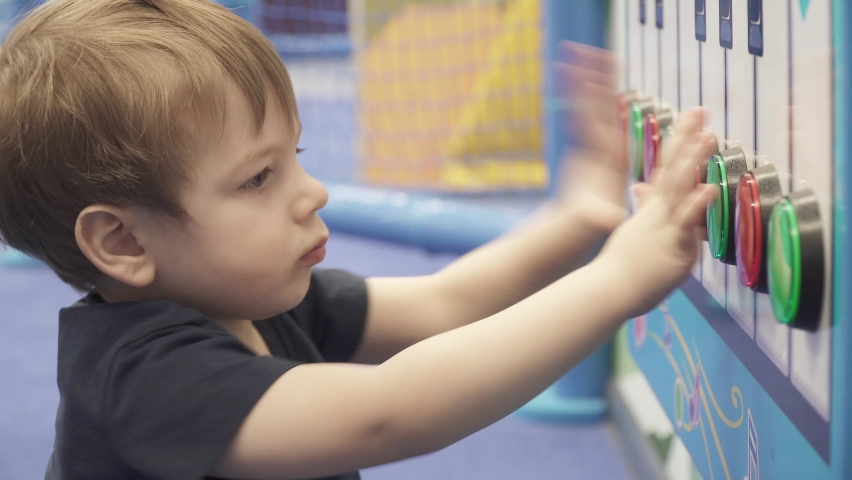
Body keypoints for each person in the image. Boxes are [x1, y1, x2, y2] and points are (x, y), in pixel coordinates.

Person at [0, 1, 717, 479]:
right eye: (258, 179)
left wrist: (578, 216)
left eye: (297, 160)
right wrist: (617, 282)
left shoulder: (257, 300)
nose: (312, 194)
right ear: (122, 241)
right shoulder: (142, 377)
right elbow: (389, 413)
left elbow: (444, 302)